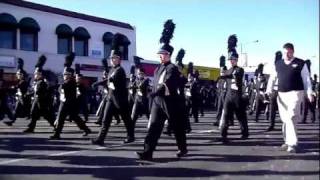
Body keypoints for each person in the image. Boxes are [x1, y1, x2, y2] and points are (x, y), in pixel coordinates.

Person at [136, 20, 187, 161]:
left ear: (169, 55)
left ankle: (183, 148)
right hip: (158, 102)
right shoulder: (158, 68)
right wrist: (151, 93)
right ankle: (147, 152)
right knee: (153, 127)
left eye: (163, 54)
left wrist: (156, 92)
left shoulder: (172, 68)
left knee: (177, 127)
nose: (160, 56)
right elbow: (155, 83)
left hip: (170, 102)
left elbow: (167, 83)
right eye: (160, 54)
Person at [266, 43, 313, 153]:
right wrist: (269, 89)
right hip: (282, 94)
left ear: (293, 52)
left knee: (291, 115)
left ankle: (292, 143)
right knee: (286, 119)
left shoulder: (301, 63)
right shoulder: (278, 64)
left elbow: (306, 79)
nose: (287, 54)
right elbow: (272, 78)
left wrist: (309, 92)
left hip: (296, 92)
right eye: (285, 52)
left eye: (289, 52)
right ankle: (287, 141)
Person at [91, 33, 135, 146]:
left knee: (126, 119)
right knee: (106, 119)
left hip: (120, 100)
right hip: (111, 98)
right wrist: (98, 83)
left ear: (119, 59)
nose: (111, 60)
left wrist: (99, 82)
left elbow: (111, 80)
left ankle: (131, 136)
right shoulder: (112, 69)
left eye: (114, 58)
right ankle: (100, 139)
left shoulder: (120, 70)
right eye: (111, 58)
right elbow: (108, 80)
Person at [50, 53, 91, 139]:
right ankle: (86, 129)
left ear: (70, 75)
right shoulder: (66, 82)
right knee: (72, 118)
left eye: (66, 74)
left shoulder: (71, 83)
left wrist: (58, 85)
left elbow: (63, 88)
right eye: (64, 74)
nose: (65, 76)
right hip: (64, 102)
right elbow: (60, 89)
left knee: (69, 117)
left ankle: (57, 133)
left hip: (69, 103)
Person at [219, 34, 249, 143]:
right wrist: (222, 73)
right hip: (228, 95)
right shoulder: (228, 70)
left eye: (234, 59)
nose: (232, 61)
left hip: (237, 94)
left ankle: (245, 132)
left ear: (237, 60)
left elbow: (236, 76)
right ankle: (223, 134)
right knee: (226, 114)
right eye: (231, 59)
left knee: (240, 115)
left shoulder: (240, 70)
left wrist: (226, 75)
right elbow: (224, 78)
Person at [24, 55, 55, 133]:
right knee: (33, 113)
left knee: (46, 115)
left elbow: (42, 92)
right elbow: (34, 91)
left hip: (41, 102)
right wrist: (29, 94)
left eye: (36, 74)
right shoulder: (37, 82)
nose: (35, 75)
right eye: (35, 74)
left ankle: (56, 126)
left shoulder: (43, 82)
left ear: (40, 75)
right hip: (36, 100)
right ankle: (31, 128)